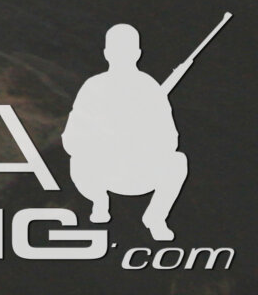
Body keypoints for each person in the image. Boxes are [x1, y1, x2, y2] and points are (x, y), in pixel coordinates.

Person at [64, 19, 199, 241]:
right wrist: (104, 140)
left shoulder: (149, 88)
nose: (121, 56)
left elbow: (171, 140)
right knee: (78, 161)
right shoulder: (93, 87)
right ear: (107, 53)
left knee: (178, 161)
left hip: (139, 171)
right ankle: (99, 203)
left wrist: (141, 139)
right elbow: (71, 139)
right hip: (102, 172)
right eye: (117, 51)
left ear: (137, 53)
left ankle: (155, 217)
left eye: (125, 51)